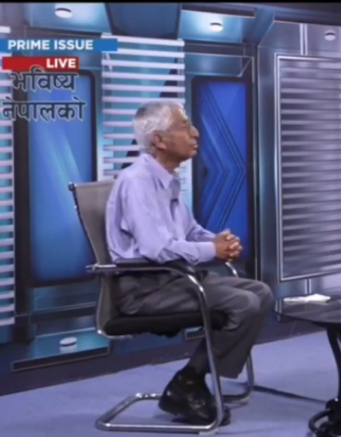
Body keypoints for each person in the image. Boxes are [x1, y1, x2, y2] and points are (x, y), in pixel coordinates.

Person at [105, 101, 275, 426]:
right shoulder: (137, 181)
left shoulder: (166, 179)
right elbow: (156, 249)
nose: (195, 133)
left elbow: (189, 230)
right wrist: (212, 251)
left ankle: (192, 379)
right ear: (158, 140)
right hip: (143, 290)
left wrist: (217, 242)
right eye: (184, 126)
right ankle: (189, 381)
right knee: (243, 303)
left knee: (261, 293)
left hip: (175, 279)